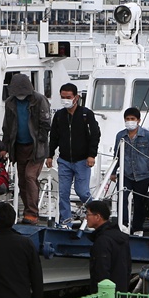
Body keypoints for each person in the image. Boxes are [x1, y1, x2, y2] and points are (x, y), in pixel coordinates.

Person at [46, 83, 101, 227]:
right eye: (63, 97)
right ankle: (66, 222)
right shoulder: (59, 116)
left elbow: (94, 135)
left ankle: (97, 213)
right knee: (63, 193)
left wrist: (91, 155)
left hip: (82, 160)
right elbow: (54, 137)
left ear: (76, 97)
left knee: (82, 191)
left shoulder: (86, 114)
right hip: (64, 160)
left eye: (68, 97)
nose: (65, 100)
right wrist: (50, 155)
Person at [1, 74, 51, 224]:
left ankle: (32, 213)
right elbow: (7, 127)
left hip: (36, 147)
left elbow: (46, 123)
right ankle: (28, 211)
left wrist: (41, 141)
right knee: (22, 180)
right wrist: (5, 147)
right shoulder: (10, 102)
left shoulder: (40, 100)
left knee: (30, 177)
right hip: (18, 147)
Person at [110, 107, 149, 236]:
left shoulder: (148, 135)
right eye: (127, 119)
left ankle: (138, 228)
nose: (130, 121)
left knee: (140, 203)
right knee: (122, 199)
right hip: (125, 174)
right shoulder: (120, 136)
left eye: (132, 119)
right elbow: (117, 155)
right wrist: (113, 171)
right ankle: (124, 225)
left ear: (138, 120)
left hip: (142, 175)